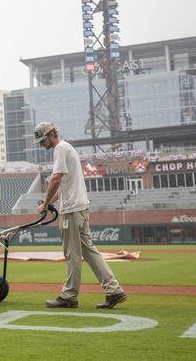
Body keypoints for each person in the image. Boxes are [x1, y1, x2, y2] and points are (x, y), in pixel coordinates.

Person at [33, 122, 127, 309]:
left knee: (72, 254)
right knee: (89, 251)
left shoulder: (59, 149)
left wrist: (44, 204)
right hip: (81, 206)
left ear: (52, 134)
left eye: (43, 140)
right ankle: (114, 290)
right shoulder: (68, 148)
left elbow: (56, 179)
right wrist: (50, 202)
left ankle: (69, 295)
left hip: (72, 210)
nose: (42, 145)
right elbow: (64, 184)